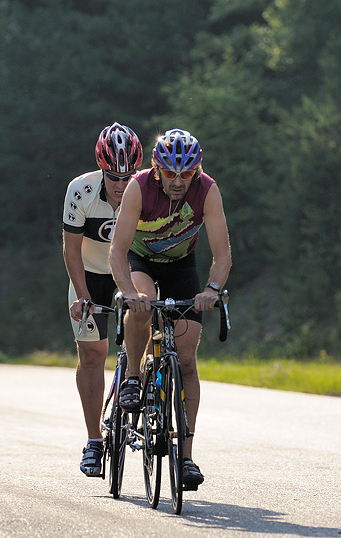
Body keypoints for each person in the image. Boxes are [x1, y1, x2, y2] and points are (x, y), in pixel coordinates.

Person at [110, 128, 231, 490]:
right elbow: (117, 252)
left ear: (197, 170)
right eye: (170, 173)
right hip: (140, 259)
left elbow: (223, 255)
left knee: (188, 357)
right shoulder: (139, 186)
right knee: (143, 306)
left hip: (181, 265)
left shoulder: (207, 190)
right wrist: (128, 291)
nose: (178, 181)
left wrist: (211, 289)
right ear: (156, 168)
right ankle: (133, 377)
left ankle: (186, 457)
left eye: (186, 173)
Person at [62, 122, 143, 477]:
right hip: (92, 275)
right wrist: (82, 296)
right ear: (101, 169)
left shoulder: (146, 191)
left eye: (128, 177)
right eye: (114, 177)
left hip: (133, 270)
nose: (122, 185)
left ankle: (142, 384)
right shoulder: (80, 190)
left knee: (153, 326)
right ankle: (95, 441)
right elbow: (71, 249)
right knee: (93, 355)